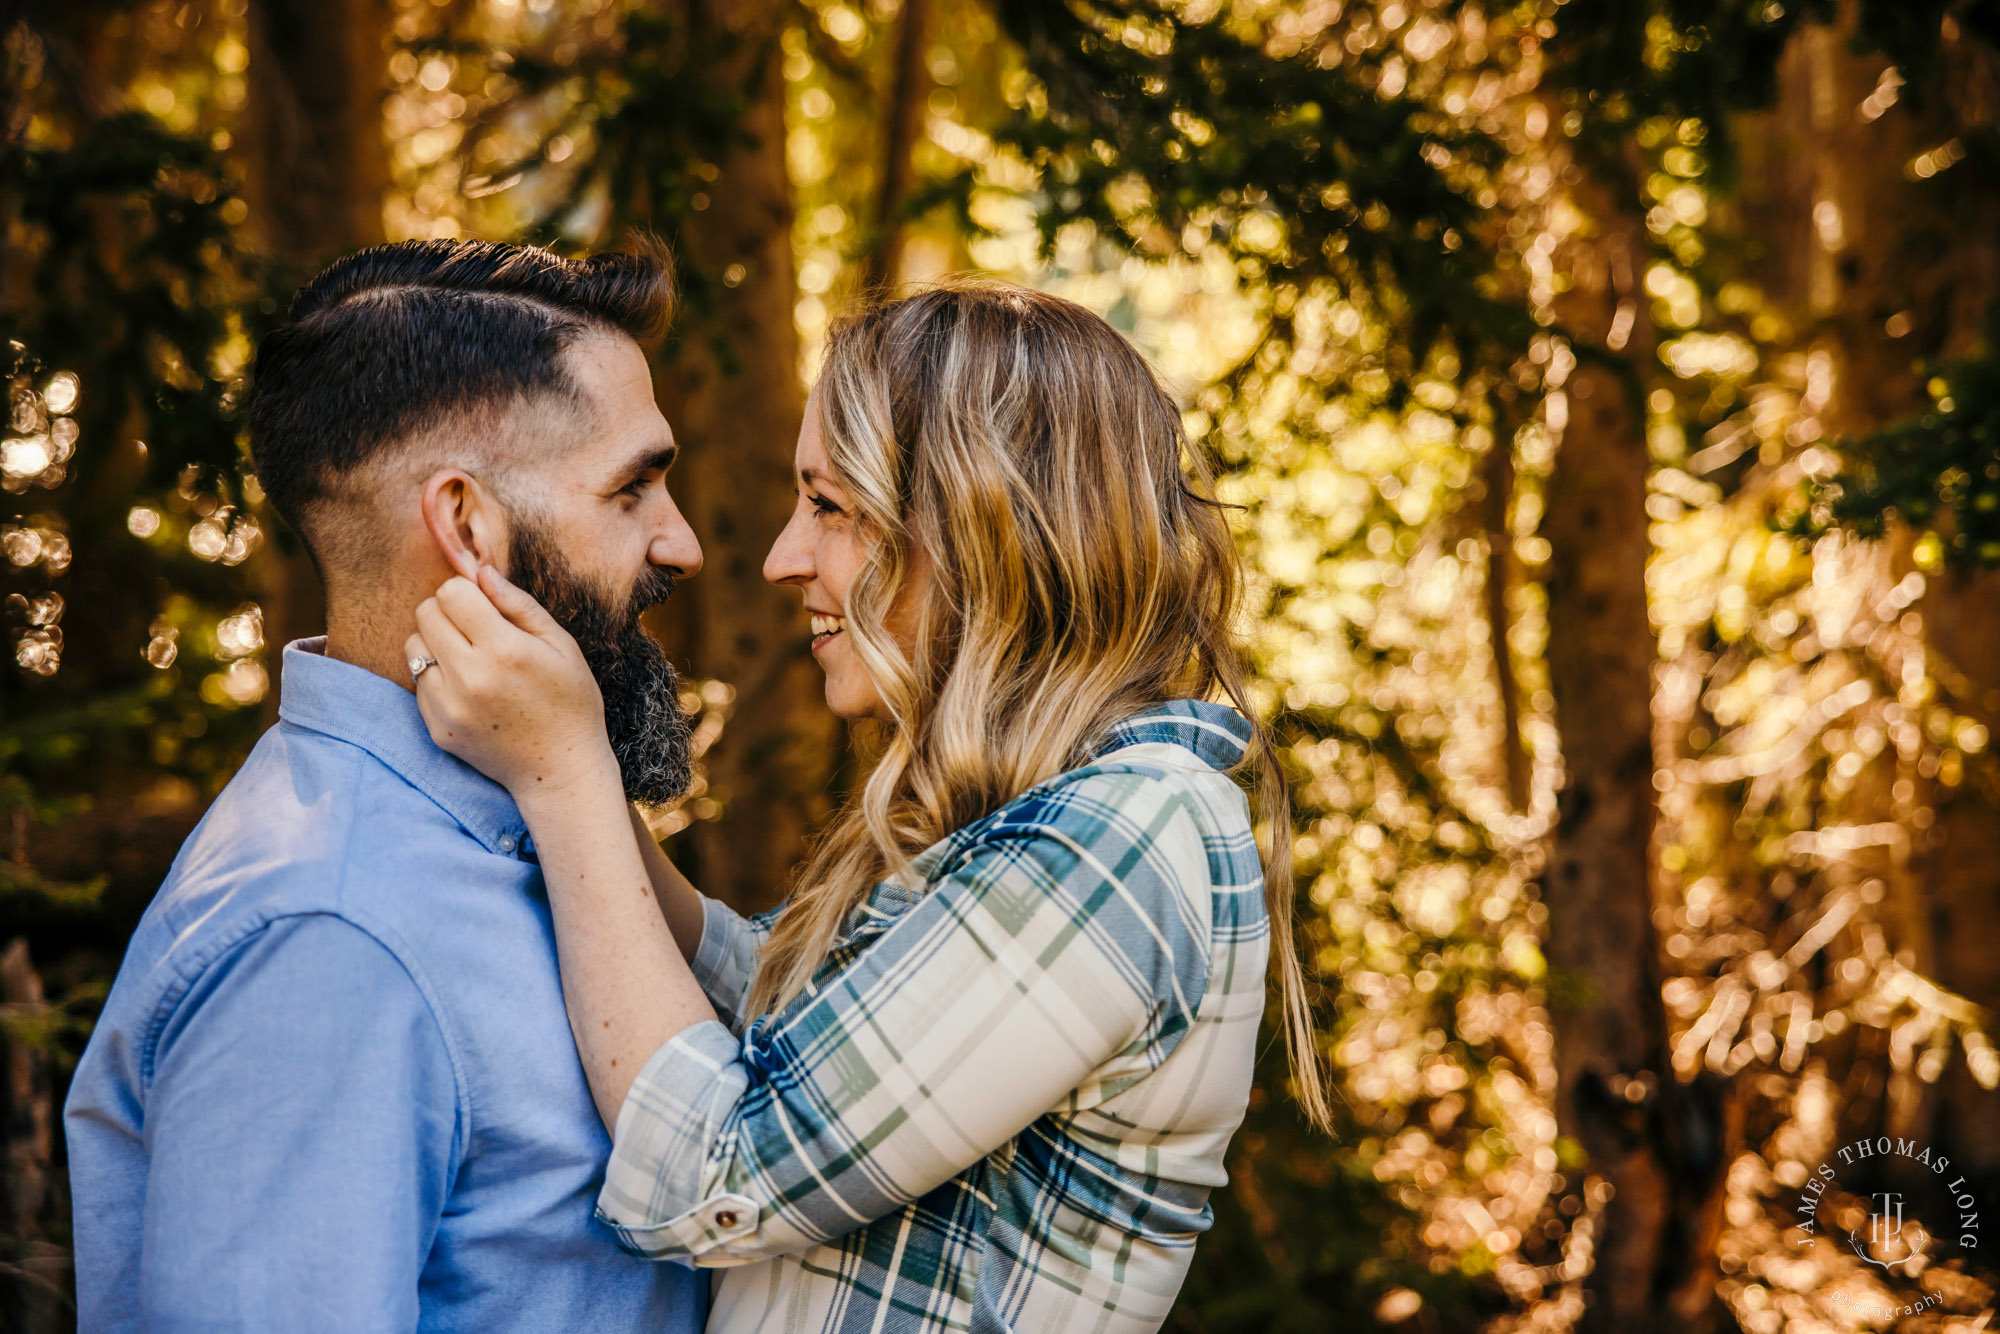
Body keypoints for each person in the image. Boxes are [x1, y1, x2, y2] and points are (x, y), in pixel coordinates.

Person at [406, 280, 1333, 1332]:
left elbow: (710, 1171)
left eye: (830, 506)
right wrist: (561, 756)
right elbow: (779, 1018)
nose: (779, 557)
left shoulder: (1123, 833)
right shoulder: (1048, 817)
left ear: (989, 529)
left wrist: (563, 775)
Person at [63, 239, 708, 1332]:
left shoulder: (521, 826)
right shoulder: (330, 933)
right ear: (466, 526)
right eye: (632, 487)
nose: (681, 541)